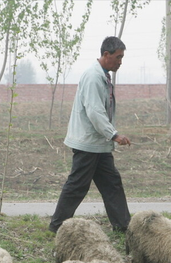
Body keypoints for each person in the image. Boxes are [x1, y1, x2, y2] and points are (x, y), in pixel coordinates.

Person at [49, 36, 131, 234]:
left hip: (97, 143)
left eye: (122, 57)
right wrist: (114, 135)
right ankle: (57, 226)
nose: (120, 61)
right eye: (118, 57)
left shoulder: (102, 75)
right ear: (106, 54)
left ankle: (123, 226)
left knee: (112, 184)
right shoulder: (94, 77)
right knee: (77, 186)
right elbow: (95, 111)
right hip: (88, 143)